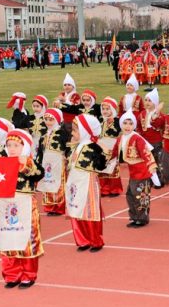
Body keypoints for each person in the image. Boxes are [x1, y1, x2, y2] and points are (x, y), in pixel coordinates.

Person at [0, 129, 44, 289]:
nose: (11, 148)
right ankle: (11, 275)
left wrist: (25, 163)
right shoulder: (1, 162)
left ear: (24, 147)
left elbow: (39, 174)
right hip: (5, 205)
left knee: (26, 240)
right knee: (8, 238)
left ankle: (28, 275)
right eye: (9, 145)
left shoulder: (29, 162)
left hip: (25, 206)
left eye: (16, 145)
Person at [66, 115, 108, 252]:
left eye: (75, 130)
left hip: (87, 182)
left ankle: (96, 241)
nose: (72, 133)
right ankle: (82, 240)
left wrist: (103, 151)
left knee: (89, 212)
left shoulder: (93, 147)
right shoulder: (76, 146)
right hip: (74, 182)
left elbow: (102, 165)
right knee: (76, 210)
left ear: (85, 131)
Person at [112, 110, 158, 228]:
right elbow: (114, 152)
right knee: (130, 195)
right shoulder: (121, 138)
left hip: (142, 172)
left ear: (134, 125)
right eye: (125, 123)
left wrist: (151, 166)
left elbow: (146, 153)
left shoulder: (137, 138)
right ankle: (134, 216)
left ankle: (142, 218)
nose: (127, 126)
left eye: (130, 123)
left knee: (141, 195)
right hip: (133, 172)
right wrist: (106, 160)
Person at [37, 108, 70, 216]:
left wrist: (68, 158)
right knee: (48, 183)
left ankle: (59, 207)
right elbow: (41, 151)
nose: (47, 122)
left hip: (58, 162)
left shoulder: (62, 133)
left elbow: (68, 148)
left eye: (51, 120)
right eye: (45, 119)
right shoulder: (44, 135)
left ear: (57, 120)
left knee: (59, 184)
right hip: (47, 163)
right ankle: (50, 206)